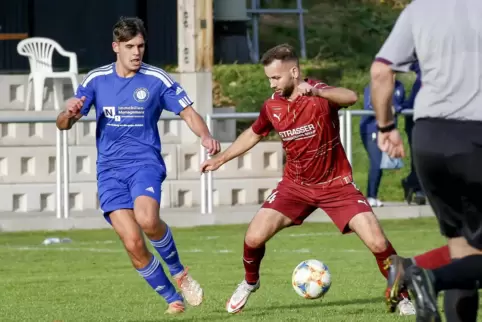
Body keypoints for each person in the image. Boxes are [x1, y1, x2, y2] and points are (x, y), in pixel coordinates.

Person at [200, 43, 416, 316]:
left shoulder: (319, 93)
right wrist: (221, 159)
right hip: (295, 187)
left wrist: (316, 90)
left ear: (294, 72)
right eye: (269, 78)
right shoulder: (272, 106)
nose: (272, 84)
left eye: (276, 78)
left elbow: (349, 97)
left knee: (377, 242)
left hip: (337, 185)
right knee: (253, 237)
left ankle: (403, 296)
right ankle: (250, 282)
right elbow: (254, 134)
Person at [56, 17, 220, 314]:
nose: (137, 52)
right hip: (109, 171)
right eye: (130, 46)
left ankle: (180, 272)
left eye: (141, 46)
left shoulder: (157, 79)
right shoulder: (96, 79)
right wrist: (68, 112)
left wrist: (206, 136)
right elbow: (64, 123)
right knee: (132, 242)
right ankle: (173, 298)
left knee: (147, 220)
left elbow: (188, 112)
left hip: (144, 163)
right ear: (115, 47)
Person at [370, 0, 482, 321]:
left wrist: (386, 127)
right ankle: (426, 275)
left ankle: (417, 271)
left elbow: (380, 71)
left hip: (429, 137)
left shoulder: (419, 9)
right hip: (475, 136)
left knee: (463, 250)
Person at [359, 79, 405, 207]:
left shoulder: (399, 86)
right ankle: (370, 196)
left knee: (380, 163)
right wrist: (389, 108)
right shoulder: (374, 85)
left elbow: (401, 104)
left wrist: (397, 108)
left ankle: (372, 196)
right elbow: (370, 105)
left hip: (388, 130)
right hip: (371, 128)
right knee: (376, 162)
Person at [400, 61, 426, 206]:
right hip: (416, 123)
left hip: (429, 123)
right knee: (420, 158)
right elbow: (412, 103)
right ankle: (418, 189)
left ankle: (411, 183)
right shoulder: (422, 80)